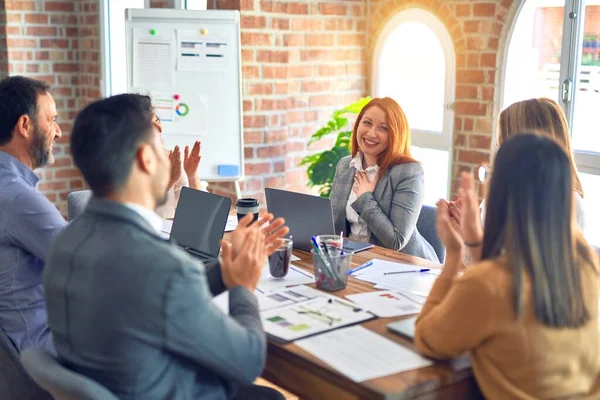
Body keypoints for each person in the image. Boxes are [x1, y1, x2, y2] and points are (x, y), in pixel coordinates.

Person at [44, 94, 289, 400]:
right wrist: (242, 286)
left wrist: (226, 273)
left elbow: (149, 297)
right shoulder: (161, 266)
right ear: (146, 159)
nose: (168, 155)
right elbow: (249, 361)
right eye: (161, 148)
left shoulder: (66, 240)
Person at [415, 134, 600, 399]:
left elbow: (428, 339)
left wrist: (454, 254)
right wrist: (475, 241)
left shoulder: (487, 284)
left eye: (489, 174)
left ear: (502, 191)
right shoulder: (585, 263)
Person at [448, 97, 586, 264]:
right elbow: (479, 269)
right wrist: (466, 237)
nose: (499, 156)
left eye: (504, 145)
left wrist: (472, 241)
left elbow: (521, 279)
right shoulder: (497, 198)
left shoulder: (567, 205)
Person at [0, 76, 66, 356]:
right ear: (25, 125)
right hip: (43, 352)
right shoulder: (16, 197)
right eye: (51, 120)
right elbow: (88, 261)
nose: (59, 132)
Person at [329, 97, 437, 261]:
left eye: (383, 128)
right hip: (354, 261)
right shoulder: (345, 165)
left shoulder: (409, 172)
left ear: (395, 134)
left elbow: (395, 241)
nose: (371, 133)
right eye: (367, 123)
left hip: (402, 266)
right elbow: (333, 227)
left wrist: (365, 198)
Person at [150, 109, 209, 219]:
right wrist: (170, 182)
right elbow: (140, 214)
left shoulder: (170, 157)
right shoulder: (121, 164)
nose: (160, 128)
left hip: (167, 232)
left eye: (157, 120)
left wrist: (192, 176)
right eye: (149, 124)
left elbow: (200, 209)